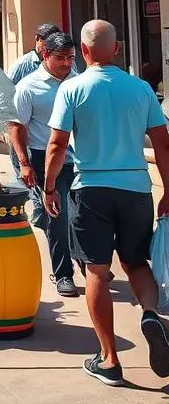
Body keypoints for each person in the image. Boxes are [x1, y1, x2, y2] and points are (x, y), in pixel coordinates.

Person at [45, 19, 169, 386]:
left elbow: (57, 144)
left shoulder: (72, 88)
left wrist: (49, 187)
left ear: (82, 52)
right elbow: (162, 143)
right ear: (117, 49)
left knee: (97, 270)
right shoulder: (142, 89)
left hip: (90, 189)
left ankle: (110, 359)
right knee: (135, 261)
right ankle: (150, 313)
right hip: (135, 188)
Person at [9, 31, 80, 297]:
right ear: (45, 55)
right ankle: (63, 274)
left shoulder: (80, 82)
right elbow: (16, 127)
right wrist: (24, 163)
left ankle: (86, 259)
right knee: (58, 218)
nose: (66, 63)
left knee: (81, 215)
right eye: (60, 58)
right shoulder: (28, 87)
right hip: (45, 158)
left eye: (71, 58)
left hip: (82, 157)